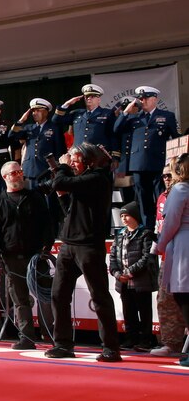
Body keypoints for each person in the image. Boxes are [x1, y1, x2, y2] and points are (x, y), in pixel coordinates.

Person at [45, 144, 121, 361]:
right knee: (59, 295)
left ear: (89, 160)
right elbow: (70, 209)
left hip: (88, 246)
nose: (72, 163)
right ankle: (63, 344)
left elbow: (60, 180)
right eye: (72, 160)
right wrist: (61, 196)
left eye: (76, 160)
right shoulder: (84, 181)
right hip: (68, 244)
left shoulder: (97, 178)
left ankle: (111, 347)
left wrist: (61, 166)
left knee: (99, 296)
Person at [0, 161, 53, 349]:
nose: (18, 175)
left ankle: (51, 335)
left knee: (46, 297)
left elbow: (47, 224)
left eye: (20, 172)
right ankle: (27, 337)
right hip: (11, 259)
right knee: (20, 300)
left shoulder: (35, 197)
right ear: (5, 177)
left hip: (36, 257)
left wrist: (46, 247)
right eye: (14, 173)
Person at [114, 86, 179, 229]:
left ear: (154, 99)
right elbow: (116, 129)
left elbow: (175, 138)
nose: (141, 101)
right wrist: (125, 112)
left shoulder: (166, 116)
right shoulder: (133, 117)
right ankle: (147, 229)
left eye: (145, 98)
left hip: (158, 163)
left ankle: (164, 225)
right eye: (140, 98)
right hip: (138, 164)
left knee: (161, 196)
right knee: (143, 199)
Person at [155, 153, 189, 367]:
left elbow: (171, 222)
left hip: (183, 245)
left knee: (183, 296)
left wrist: (159, 245)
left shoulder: (180, 189)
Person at [110, 201, 157, 351]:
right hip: (123, 282)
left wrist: (130, 272)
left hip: (141, 281)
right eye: (122, 215)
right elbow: (112, 259)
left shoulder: (146, 234)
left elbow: (147, 257)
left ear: (135, 216)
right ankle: (131, 338)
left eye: (127, 215)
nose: (123, 218)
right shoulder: (119, 235)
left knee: (144, 311)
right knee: (128, 311)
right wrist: (118, 274)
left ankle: (146, 340)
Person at [52, 83, 119, 153]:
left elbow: (113, 135)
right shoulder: (77, 113)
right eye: (86, 96)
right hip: (78, 155)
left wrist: (115, 156)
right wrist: (66, 104)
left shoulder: (107, 113)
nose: (89, 98)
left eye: (92, 96)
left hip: (98, 156)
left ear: (99, 99)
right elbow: (56, 120)